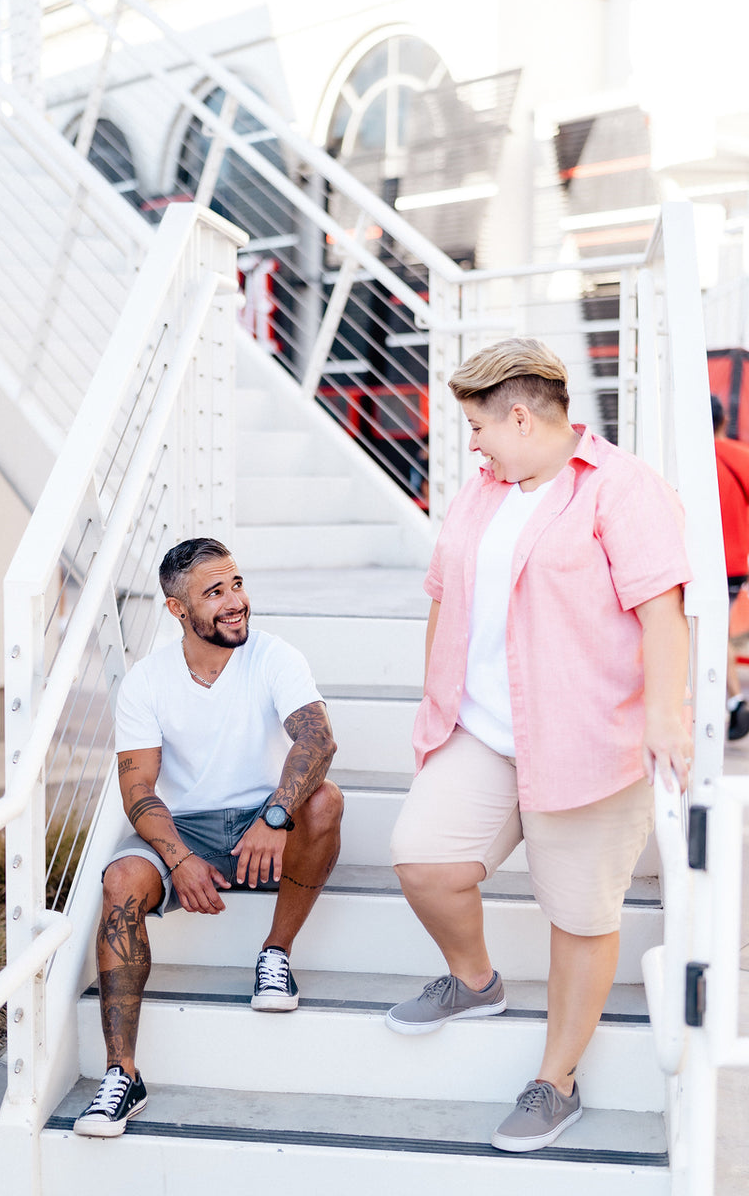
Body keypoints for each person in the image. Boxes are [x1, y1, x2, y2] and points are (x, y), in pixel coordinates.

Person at [386, 338, 692, 1152]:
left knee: (580, 916)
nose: (474, 444)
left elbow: (663, 610)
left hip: (590, 739)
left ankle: (555, 1081)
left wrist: (667, 716)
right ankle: (476, 980)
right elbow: (443, 596)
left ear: (520, 415)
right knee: (424, 859)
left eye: (479, 426)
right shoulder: (482, 493)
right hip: (482, 729)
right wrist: (434, 700)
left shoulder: (623, 489)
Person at [74, 538, 342, 1137]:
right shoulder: (147, 682)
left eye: (237, 585)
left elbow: (317, 741)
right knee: (120, 880)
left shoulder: (274, 656)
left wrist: (275, 817)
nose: (235, 602)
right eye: (215, 593)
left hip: (266, 820)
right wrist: (181, 858)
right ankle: (122, 1076)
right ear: (177, 610)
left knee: (324, 801)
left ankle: (275, 954)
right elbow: (139, 789)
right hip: (186, 826)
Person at [711, 393, 749, 740]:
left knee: (714, 634)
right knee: (718, 632)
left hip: (706, 563)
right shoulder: (742, 456)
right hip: (737, 564)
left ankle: (735, 702)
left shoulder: (696, 462)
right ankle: (735, 702)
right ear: (723, 421)